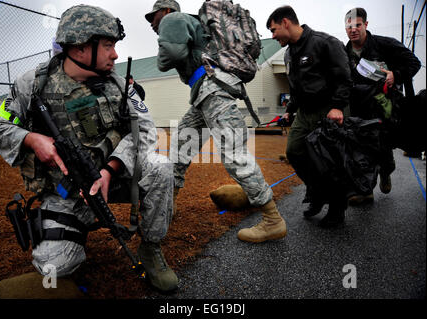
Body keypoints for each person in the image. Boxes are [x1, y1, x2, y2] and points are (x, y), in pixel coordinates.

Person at [0, 4, 178, 293]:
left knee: (160, 166)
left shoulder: (119, 84)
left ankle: (151, 250)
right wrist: (32, 139)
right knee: (56, 267)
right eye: (108, 46)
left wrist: (109, 170)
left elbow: (146, 130)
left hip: (111, 181)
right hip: (63, 191)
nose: (115, 54)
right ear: (79, 49)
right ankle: (73, 228)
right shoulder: (33, 84)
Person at [145, 0, 287, 243]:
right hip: (204, 94)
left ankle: (272, 219)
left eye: (154, 17)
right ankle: (170, 204)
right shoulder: (193, 24)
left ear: (167, 11)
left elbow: (168, 57)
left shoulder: (173, 20)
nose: (151, 23)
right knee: (180, 146)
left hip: (213, 90)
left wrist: (164, 44)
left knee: (234, 153)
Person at [266, 6, 352, 227]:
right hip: (304, 112)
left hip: (329, 110)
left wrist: (338, 106)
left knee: (330, 161)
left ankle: (337, 210)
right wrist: (289, 110)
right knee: (294, 151)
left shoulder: (324, 43)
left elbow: (344, 77)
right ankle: (318, 193)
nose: (273, 36)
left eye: (274, 30)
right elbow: (296, 87)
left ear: (286, 22)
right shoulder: (289, 53)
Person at [344, 7, 421, 205]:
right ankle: (365, 191)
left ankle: (386, 172)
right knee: (360, 149)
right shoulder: (345, 52)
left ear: (366, 25)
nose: (353, 30)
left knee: (383, 150)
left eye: (357, 25)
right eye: (349, 26)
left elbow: (414, 63)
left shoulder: (385, 44)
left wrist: (396, 74)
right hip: (359, 109)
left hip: (384, 109)